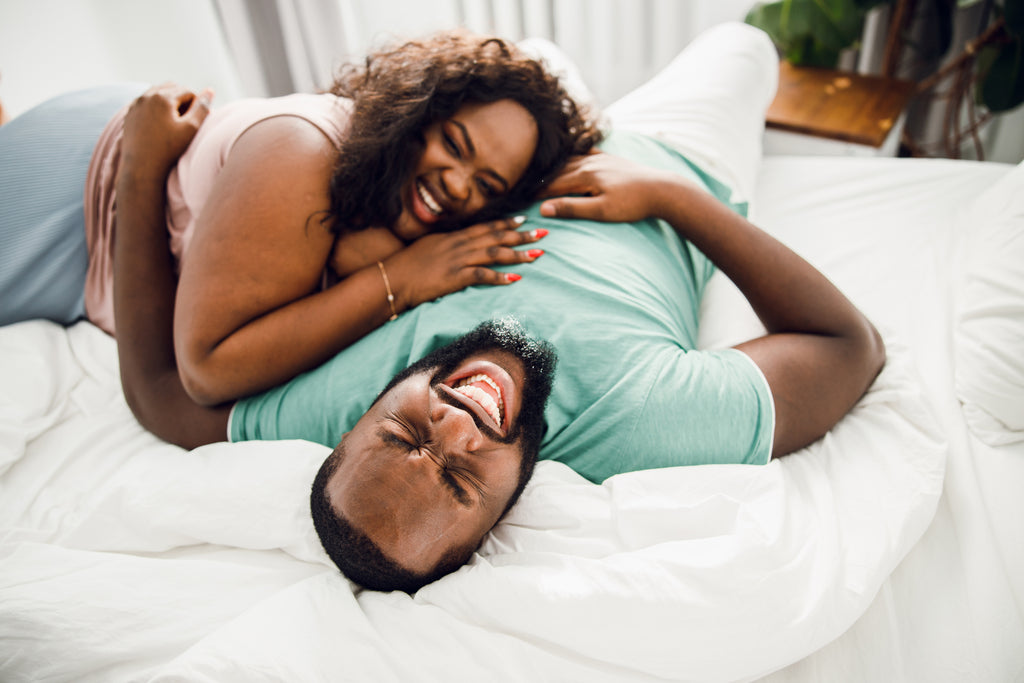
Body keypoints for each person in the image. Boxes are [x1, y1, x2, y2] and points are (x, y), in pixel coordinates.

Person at [111, 23, 885, 593]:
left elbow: (163, 395)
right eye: (459, 479)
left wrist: (142, 177)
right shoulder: (639, 420)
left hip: (522, 146)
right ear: (499, 516)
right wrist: (676, 201)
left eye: (409, 430)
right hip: (673, 156)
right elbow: (850, 345)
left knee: (533, 57)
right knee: (743, 45)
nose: (456, 422)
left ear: (362, 420)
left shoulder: (351, 396)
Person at [0, 30, 600, 406]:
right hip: (67, 190)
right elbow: (207, 370)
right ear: (421, 110)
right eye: (456, 144)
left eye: (487, 185)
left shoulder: (391, 209)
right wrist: (402, 281)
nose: (457, 185)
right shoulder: (304, 152)